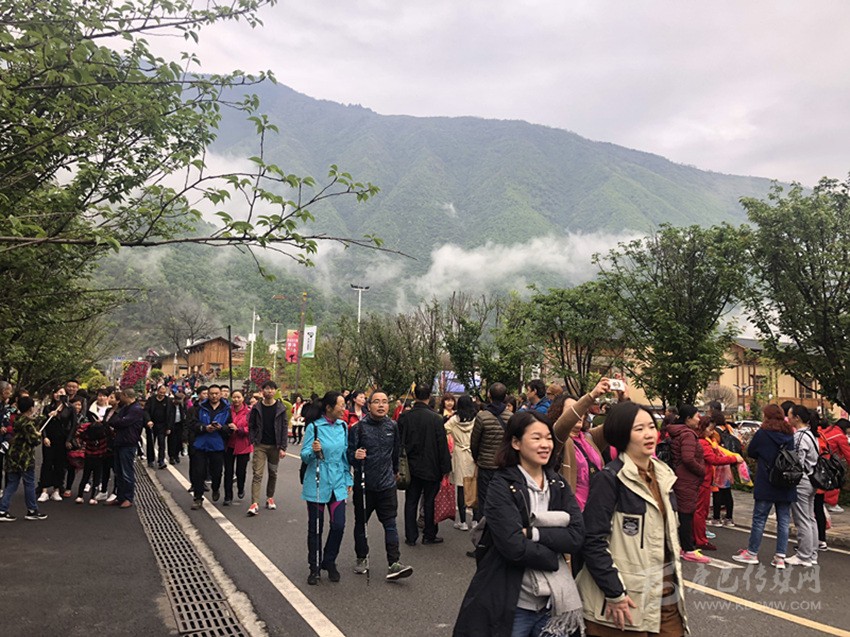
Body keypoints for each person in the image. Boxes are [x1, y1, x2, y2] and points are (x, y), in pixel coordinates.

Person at [454, 411, 585, 637]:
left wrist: (533, 534)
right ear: (516, 443)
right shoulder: (502, 485)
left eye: (548, 438)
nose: (545, 445)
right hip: (514, 601)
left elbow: (576, 536)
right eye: (536, 438)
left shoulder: (558, 483)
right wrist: (551, 557)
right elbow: (512, 545)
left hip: (553, 601)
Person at [577, 401, 688, 636]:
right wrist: (615, 593)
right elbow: (592, 540)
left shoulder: (664, 476)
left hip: (665, 595)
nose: (649, 434)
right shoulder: (610, 479)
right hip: (624, 602)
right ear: (621, 434)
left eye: (651, 426)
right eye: (639, 429)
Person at [348, 390, 413, 580]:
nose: (381, 405)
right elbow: (348, 455)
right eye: (376, 401)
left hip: (386, 485)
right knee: (361, 524)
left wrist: (395, 472)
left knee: (390, 524)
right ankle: (361, 558)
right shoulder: (358, 428)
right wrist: (355, 456)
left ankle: (394, 563)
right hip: (364, 486)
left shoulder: (393, 426)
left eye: (384, 401)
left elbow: (396, 453)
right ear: (369, 405)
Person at [732, 404, 797, 569]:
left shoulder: (763, 433)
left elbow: (751, 451)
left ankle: (752, 553)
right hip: (785, 481)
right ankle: (780, 557)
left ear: (767, 416)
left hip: (767, 480)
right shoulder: (789, 433)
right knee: (784, 520)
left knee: (760, 518)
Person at [300, 391, 351, 585]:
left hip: (338, 483)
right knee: (316, 528)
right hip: (317, 482)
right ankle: (313, 567)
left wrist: (348, 480)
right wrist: (313, 452)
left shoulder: (343, 427)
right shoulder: (314, 427)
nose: (344, 409)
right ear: (329, 408)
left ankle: (329, 561)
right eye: (341, 405)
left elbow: (344, 457)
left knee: (339, 525)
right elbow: (305, 456)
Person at [399, 383, 452, 546]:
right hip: (432, 465)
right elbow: (442, 445)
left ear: (414, 396)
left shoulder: (405, 417)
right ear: (430, 396)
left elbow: (399, 443)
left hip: (411, 466)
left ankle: (411, 536)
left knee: (411, 501)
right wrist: (446, 468)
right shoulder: (436, 418)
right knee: (430, 501)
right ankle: (429, 534)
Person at [666, 405, 709, 563]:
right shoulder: (688, 435)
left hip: (680, 477)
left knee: (682, 513)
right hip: (686, 479)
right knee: (686, 513)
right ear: (688, 419)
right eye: (697, 416)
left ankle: (681, 546)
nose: (699, 419)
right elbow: (688, 458)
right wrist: (702, 470)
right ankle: (688, 549)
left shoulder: (678, 432)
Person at [693, 415, 738, 551]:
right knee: (701, 511)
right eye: (710, 429)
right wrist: (733, 458)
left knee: (701, 510)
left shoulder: (702, 441)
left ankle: (697, 537)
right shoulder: (703, 443)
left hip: (703, 480)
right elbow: (714, 460)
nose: (712, 432)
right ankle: (700, 539)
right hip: (704, 480)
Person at [0, 396, 48, 521]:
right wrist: (38, 435)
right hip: (24, 458)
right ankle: (32, 510)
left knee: (12, 484)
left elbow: (33, 421)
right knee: (29, 483)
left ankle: (2, 510)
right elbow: (34, 440)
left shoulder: (18, 419)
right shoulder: (28, 424)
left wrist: (46, 416)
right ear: (31, 408)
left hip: (13, 456)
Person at [470, 382, 511, 522]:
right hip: (503, 465)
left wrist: (477, 458)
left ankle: (483, 529)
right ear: (505, 397)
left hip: (485, 465)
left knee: (484, 500)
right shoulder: (511, 417)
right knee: (502, 499)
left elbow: (474, 442)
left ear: (489, 396)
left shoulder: (482, 417)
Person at [247, 380, 289, 516]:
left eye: (272, 389)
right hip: (260, 445)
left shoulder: (281, 408)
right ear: (262, 391)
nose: (269, 391)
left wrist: (283, 447)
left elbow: (284, 428)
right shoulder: (257, 407)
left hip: (275, 446)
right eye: (267, 388)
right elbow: (251, 425)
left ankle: (270, 497)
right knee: (257, 474)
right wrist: (253, 439)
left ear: (275, 391)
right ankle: (254, 503)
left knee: (273, 472)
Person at [785, 404, 820, 566]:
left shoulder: (799, 436)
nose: (788, 418)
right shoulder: (811, 435)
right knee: (810, 518)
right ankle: (812, 554)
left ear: (797, 418)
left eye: (790, 415)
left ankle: (803, 555)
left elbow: (797, 461)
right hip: (811, 479)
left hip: (802, 481)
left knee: (802, 520)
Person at [190, 385, 232, 509]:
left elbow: (230, 427)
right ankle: (198, 497)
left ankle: (215, 488)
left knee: (217, 472)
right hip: (201, 444)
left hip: (217, 445)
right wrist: (204, 427)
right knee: (199, 472)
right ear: (208, 394)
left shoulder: (226, 409)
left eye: (216, 393)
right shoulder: (200, 408)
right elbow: (193, 424)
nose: (214, 396)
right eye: (212, 393)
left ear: (220, 394)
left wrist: (221, 428)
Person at [106, 388, 145, 508]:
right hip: (119, 441)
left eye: (121, 396)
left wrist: (118, 422)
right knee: (118, 471)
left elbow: (122, 422)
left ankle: (128, 497)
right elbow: (113, 420)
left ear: (126, 395)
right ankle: (120, 496)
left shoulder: (136, 409)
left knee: (127, 471)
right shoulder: (125, 408)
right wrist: (117, 421)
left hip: (128, 442)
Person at [445, 394, 478, 530]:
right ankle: (475, 519)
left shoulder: (454, 420)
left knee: (461, 487)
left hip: (459, 454)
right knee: (474, 486)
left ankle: (463, 521)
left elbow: (444, 429)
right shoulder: (476, 419)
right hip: (472, 454)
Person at [709, 416, 742, 527]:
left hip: (718, 465)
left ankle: (716, 518)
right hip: (727, 465)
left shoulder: (715, 433)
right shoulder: (729, 430)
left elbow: (714, 449)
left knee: (717, 492)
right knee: (727, 492)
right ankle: (729, 518)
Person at [75, 402, 109, 504]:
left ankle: (80, 496)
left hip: (88, 457)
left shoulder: (88, 436)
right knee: (96, 478)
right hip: (99, 458)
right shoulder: (103, 438)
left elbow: (81, 433)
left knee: (85, 477)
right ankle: (92, 498)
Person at [224, 390, 252, 506]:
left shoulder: (249, 412)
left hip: (243, 445)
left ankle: (241, 488)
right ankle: (228, 496)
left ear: (243, 398)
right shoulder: (227, 411)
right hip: (229, 444)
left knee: (241, 471)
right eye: (234, 397)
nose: (236, 400)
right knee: (228, 471)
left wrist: (239, 430)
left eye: (238, 397)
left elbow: (252, 428)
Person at [819, 417, 850, 518]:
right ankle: (832, 504)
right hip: (830, 461)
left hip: (821, 459)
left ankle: (824, 502)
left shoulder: (830, 430)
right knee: (834, 481)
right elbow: (847, 453)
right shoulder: (840, 436)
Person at [167, 392, 187, 465]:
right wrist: (168, 427)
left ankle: (176, 455)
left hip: (180, 425)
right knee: (172, 441)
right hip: (172, 425)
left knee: (179, 441)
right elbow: (167, 416)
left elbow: (185, 414)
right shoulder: (170, 405)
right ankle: (171, 456)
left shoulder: (182, 406)